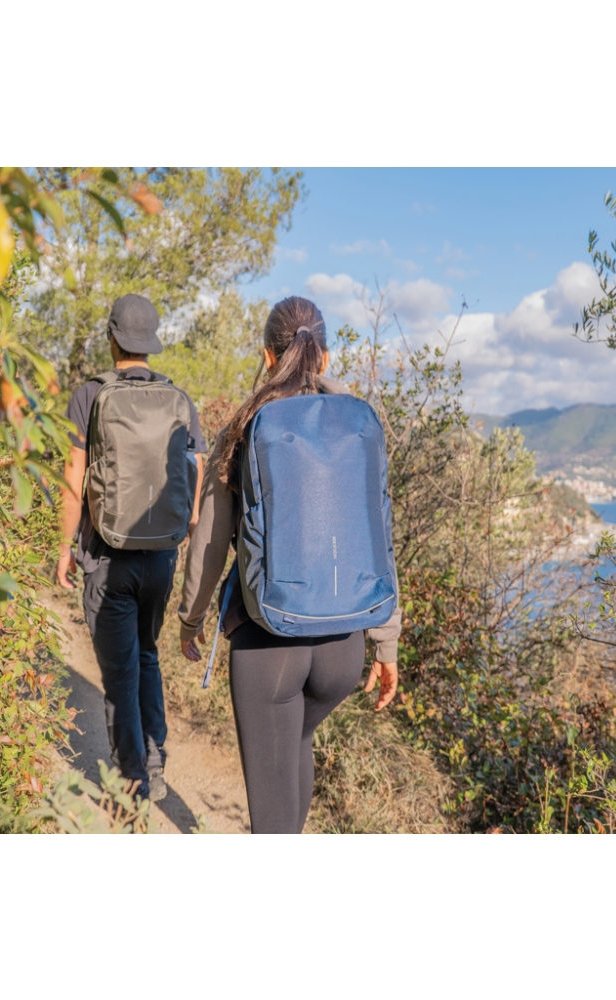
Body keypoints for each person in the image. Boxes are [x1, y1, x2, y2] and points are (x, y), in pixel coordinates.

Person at [178, 296, 401, 834]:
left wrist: (191, 617)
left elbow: (211, 540)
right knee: (296, 745)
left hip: (269, 642)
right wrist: (386, 642)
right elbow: (378, 535)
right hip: (343, 647)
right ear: (324, 357)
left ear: (267, 355)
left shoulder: (247, 426)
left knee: (272, 812)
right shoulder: (361, 425)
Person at [57, 294, 206, 802]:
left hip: (107, 556)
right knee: (145, 654)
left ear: (112, 337)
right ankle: (153, 756)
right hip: (161, 556)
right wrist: (183, 533)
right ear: (151, 343)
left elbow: (73, 479)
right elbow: (195, 474)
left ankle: (133, 782)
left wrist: (63, 547)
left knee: (119, 671)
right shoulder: (179, 399)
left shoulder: (89, 395)